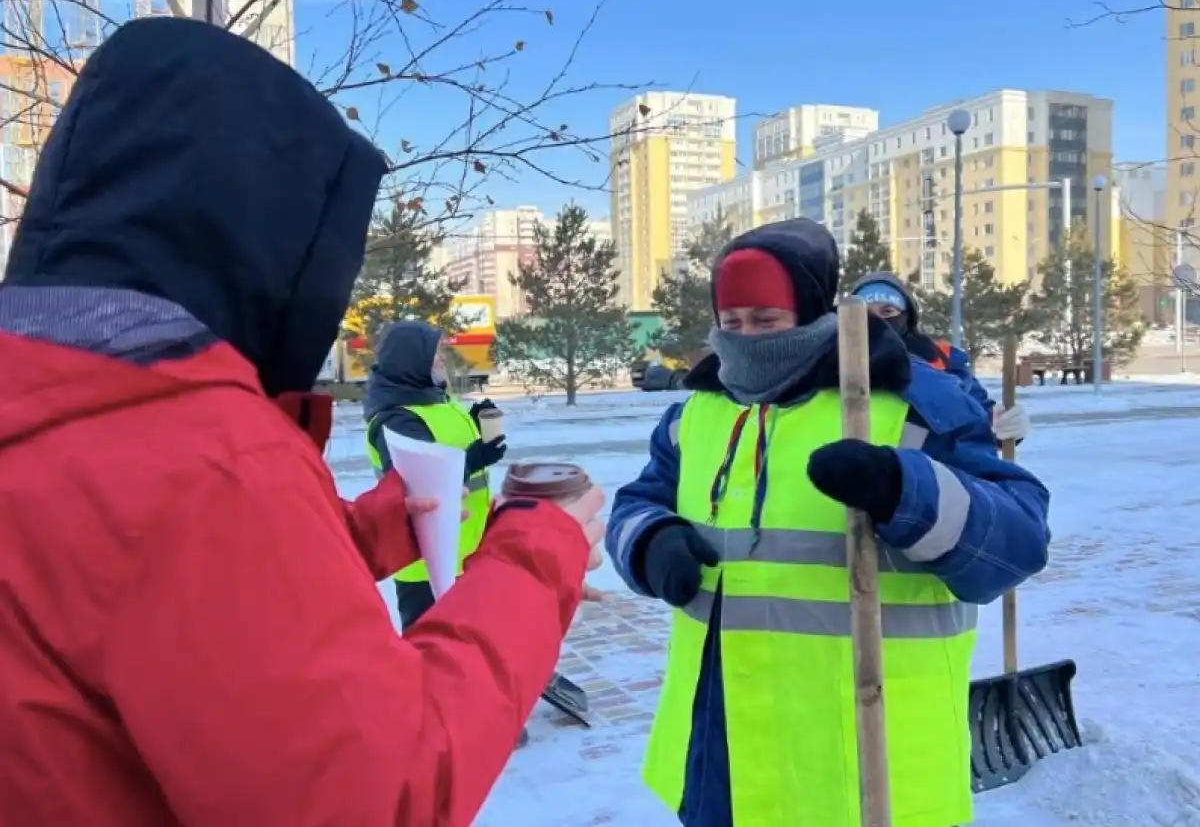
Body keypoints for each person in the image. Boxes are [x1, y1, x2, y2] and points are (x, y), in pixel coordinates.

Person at [0, 17, 605, 826]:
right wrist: (538, 554)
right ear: (266, 238)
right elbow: (378, 794)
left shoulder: (58, 406)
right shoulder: (205, 459)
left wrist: (355, 535)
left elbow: (162, 610)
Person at [605, 218, 1051, 827]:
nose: (746, 339)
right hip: (722, 746)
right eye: (731, 323)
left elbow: (1019, 542)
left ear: (813, 312)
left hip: (863, 756)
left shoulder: (912, 406)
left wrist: (905, 491)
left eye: (766, 321)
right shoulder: (699, 412)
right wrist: (650, 542)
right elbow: (636, 503)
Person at [363, 320, 507, 629]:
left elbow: (445, 445)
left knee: (469, 648)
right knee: (432, 658)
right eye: (434, 354)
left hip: (464, 550)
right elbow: (418, 486)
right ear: (412, 361)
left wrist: (475, 422)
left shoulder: (434, 399)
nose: (441, 359)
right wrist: (476, 455)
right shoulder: (396, 418)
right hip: (427, 566)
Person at [851, 271, 1031, 443]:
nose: (878, 322)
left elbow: (976, 417)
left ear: (906, 317)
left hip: (929, 470)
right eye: (866, 314)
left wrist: (1004, 423)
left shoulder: (941, 360)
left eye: (888, 311)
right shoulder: (831, 364)